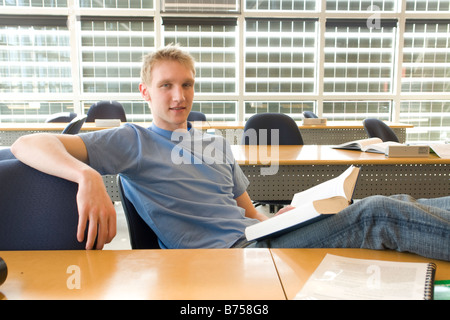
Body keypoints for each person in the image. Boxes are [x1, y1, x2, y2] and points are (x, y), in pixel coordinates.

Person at [11, 45, 449, 261]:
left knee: (405, 202)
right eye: (166, 85)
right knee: (376, 214)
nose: (178, 95)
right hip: (229, 259)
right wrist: (87, 177)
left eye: (186, 84)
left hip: (259, 239)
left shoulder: (213, 144)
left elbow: (249, 214)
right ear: (146, 92)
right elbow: (27, 143)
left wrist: (277, 217)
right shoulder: (132, 140)